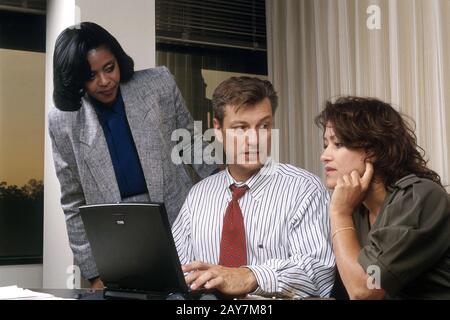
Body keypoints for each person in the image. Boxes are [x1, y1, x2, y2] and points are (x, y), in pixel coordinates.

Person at [48, 22, 217, 288]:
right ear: (74, 78)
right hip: (116, 236)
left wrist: (231, 183)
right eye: (90, 76)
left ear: (118, 60)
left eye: (109, 68)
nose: (104, 81)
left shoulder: (158, 83)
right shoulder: (62, 121)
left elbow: (192, 143)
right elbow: (73, 201)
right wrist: (94, 273)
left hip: (178, 214)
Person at [172, 76, 335, 298]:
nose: (254, 139)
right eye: (240, 128)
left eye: (264, 126)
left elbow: (318, 274)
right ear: (218, 129)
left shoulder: (304, 189)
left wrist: (250, 276)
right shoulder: (198, 196)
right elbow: (176, 272)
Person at [316, 96, 450, 299]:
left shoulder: (419, 197)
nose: (325, 155)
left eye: (338, 144)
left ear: (372, 151)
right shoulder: (358, 207)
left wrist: (339, 213)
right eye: (326, 144)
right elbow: (343, 292)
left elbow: (365, 289)